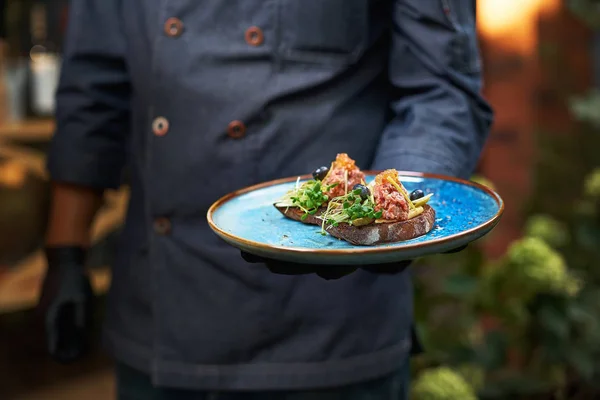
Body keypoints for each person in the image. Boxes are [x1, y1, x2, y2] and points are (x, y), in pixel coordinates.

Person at [37, 0, 493, 398]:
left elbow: (442, 90)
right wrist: (64, 253)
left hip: (332, 330)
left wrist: (389, 222)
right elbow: (94, 90)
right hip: (160, 314)